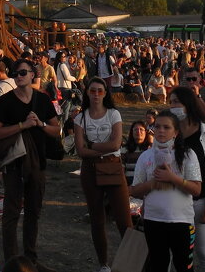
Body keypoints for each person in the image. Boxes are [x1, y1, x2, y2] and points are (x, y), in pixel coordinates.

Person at [0, 58, 60, 271]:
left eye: (22, 73)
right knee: (11, 212)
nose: (18, 76)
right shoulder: (6, 101)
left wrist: (40, 124)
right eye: (15, 73)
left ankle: (30, 260)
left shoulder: (43, 100)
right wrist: (22, 125)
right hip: (14, 163)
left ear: (32, 75)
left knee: (33, 212)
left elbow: (57, 130)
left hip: (38, 162)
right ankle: (12, 262)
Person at [131, 110, 201, 272]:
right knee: (158, 265)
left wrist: (172, 178)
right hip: (153, 220)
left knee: (184, 266)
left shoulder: (188, 155)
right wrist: (153, 183)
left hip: (182, 222)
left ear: (176, 132)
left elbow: (197, 189)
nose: (161, 131)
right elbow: (135, 191)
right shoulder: (146, 157)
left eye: (166, 127)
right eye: (157, 127)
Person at [74, 77, 132, 272]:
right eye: (93, 90)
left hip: (112, 166)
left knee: (124, 219)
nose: (96, 94)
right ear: (87, 93)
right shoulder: (80, 118)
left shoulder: (113, 114)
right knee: (97, 219)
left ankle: (133, 262)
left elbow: (116, 144)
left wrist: (92, 146)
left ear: (106, 93)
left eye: (100, 90)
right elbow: (80, 151)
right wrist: (100, 149)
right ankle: (103, 264)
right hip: (90, 169)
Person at [169, 85, 205, 272]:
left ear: (188, 104)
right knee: (174, 254)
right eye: (170, 102)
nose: (172, 106)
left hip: (199, 203)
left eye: (177, 102)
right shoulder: (168, 133)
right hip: (174, 203)